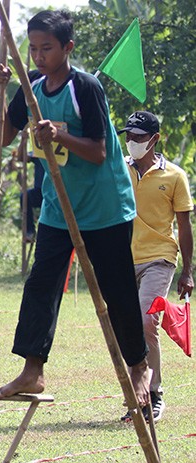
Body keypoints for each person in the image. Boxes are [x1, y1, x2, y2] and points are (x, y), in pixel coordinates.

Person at [0, 10, 150, 407]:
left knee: (117, 291)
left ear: (67, 48)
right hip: (58, 209)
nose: (39, 56)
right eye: (33, 48)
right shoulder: (31, 88)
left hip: (104, 208)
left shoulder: (86, 87)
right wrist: (2, 90)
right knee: (41, 284)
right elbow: (5, 137)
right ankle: (33, 370)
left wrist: (60, 133)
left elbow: (97, 151)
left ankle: (139, 367)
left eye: (47, 48)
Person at [119, 110, 193, 422]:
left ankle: (154, 394)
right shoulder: (118, 170)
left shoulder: (174, 176)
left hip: (160, 258)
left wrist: (188, 271)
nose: (132, 142)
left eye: (138, 137)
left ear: (154, 140)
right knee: (125, 329)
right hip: (121, 258)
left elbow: (184, 225)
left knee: (147, 321)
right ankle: (137, 396)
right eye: (128, 136)